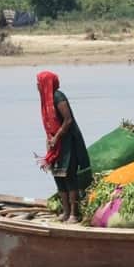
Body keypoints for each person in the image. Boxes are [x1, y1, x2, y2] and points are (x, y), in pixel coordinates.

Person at [37, 71, 92, 223]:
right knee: (58, 176)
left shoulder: (58, 96)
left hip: (68, 142)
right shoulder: (46, 100)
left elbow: (68, 120)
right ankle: (66, 212)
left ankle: (74, 214)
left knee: (69, 176)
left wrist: (56, 137)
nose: (36, 85)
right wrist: (49, 140)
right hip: (56, 143)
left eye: (39, 82)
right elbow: (49, 124)